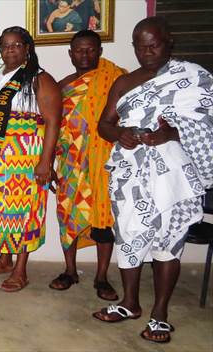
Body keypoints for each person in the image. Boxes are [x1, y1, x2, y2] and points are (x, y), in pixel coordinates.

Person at [93, 17, 213, 344]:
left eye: (153, 45)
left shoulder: (192, 78)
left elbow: (207, 125)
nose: (146, 52)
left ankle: (160, 313)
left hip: (173, 177)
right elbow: (103, 125)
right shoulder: (124, 83)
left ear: (169, 41)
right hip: (130, 174)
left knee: (168, 240)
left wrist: (173, 132)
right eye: (139, 46)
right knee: (129, 235)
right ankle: (130, 303)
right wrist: (120, 133)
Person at [0, 26, 61, 292]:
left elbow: (53, 122)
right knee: (0, 211)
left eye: (17, 45)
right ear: (0, 49)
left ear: (27, 48)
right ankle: (4, 259)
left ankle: (21, 269)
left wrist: (46, 162)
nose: (10, 49)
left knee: (23, 212)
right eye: (5, 45)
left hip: (23, 158)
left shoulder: (40, 79)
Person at [49, 30, 125, 300]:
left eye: (91, 50)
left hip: (104, 165)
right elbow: (50, 125)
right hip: (70, 164)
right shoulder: (61, 86)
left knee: (103, 222)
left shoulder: (116, 80)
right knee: (67, 216)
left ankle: (102, 277)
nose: (85, 55)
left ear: (100, 52)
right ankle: (70, 271)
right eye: (79, 50)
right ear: (70, 54)